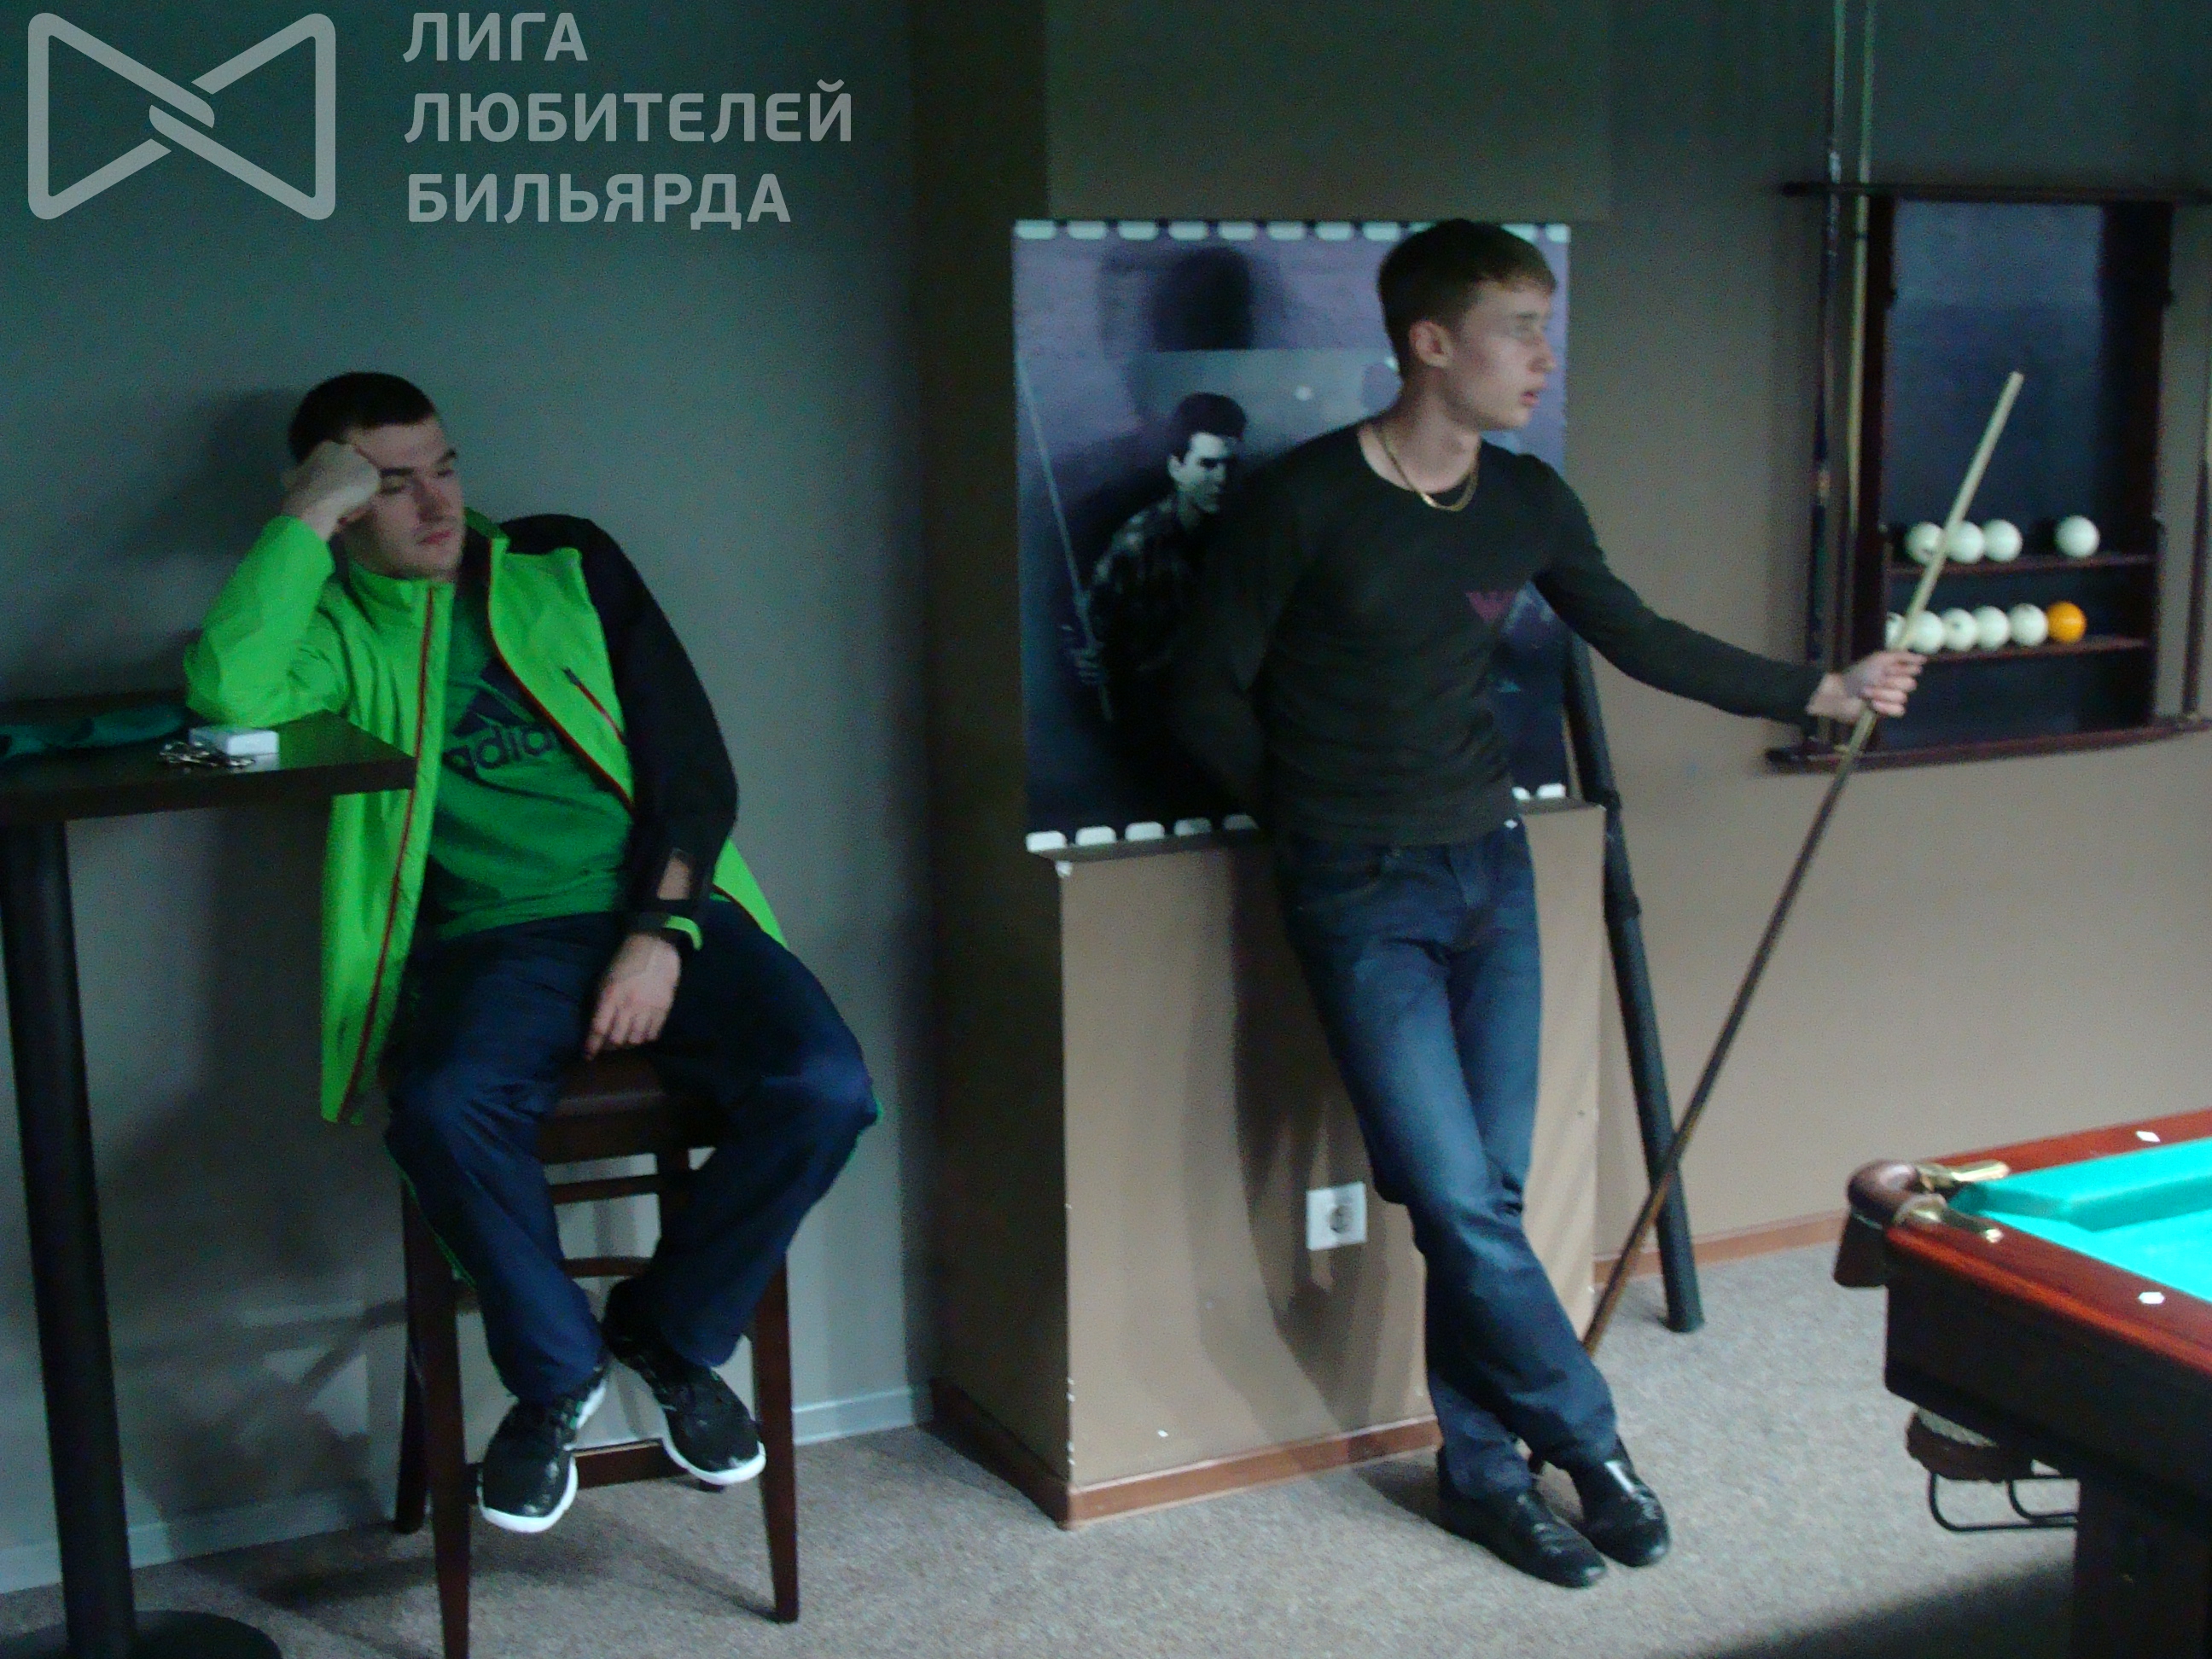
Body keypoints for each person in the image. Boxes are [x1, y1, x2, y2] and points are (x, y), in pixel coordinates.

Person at [1168, 223, 1920, 1588]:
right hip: (1357, 886)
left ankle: (1483, 1475)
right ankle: (1590, 1442)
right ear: (1430, 342)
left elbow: (1636, 635)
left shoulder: (1525, 498)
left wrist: (1822, 690)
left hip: (1490, 872)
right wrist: (1310, 816)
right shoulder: (1302, 502)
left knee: (1488, 1200)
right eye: (1518, 328)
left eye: (1543, 327)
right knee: (1455, 1197)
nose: (1542, 356)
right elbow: (1200, 692)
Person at [185, 373, 876, 1534]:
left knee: (826, 1086)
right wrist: (303, 517)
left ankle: (668, 1335)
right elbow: (224, 694)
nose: (437, 505)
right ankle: (557, 1375)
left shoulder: (567, 563)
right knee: (443, 1106)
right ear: (337, 503)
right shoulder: (333, 633)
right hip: (495, 942)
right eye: (389, 485)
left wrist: (659, 934)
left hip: (668, 911)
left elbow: (692, 766)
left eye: (445, 468)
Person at [1072, 392, 1247, 742]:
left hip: (1222, 719)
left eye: (1230, 466)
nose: (1221, 479)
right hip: (1151, 720)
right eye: (1208, 465)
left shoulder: (1246, 536)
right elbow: (1088, 628)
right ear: (1176, 468)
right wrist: (1083, 657)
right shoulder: (1136, 543)